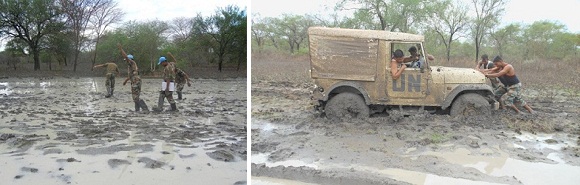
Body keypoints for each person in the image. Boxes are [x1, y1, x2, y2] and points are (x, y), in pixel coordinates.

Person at [117, 43, 149, 112]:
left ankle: (145, 109)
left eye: (126, 60)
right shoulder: (131, 66)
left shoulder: (131, 62)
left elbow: (126, 57)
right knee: (136, 97)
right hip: (136, 81)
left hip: (135, 81)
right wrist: (126, 80)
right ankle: (137, 110)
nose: (126, 61)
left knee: (135, 97)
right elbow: (131, 75)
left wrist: (121, 49)